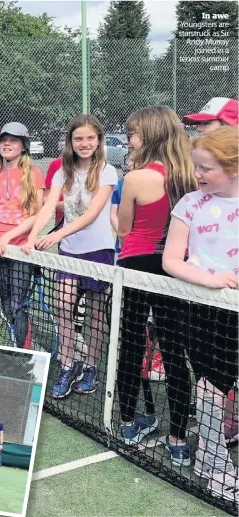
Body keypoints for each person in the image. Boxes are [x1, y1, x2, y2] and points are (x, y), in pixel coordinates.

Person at [116, 107, 197, 464]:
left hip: (136, 267)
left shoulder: (136, 178)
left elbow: (122, 229)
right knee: (176, 352)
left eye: (132, 134)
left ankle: (129, 423)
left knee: (131, 344)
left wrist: (111, 214)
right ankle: (178, 439)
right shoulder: (190, 175)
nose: (129, 140)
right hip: (175, 270)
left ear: (147, 135)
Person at [163, 126, 238, 502]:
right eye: (197, 167)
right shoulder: (189, 204)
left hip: (235, 311)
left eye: (206, 168)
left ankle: (209, 456)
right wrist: (211, 280)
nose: (198, 176)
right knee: (210, 386)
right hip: (199, 309)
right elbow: (171, 260)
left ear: (234, 167)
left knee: (224, 387)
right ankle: (219, 472)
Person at [23, 115, 118, 398]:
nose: (85, 143)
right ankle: (68, 364)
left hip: (99, 251)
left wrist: (56, 235)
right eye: (79, 139)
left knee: (95, 312)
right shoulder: (61, 173)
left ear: (99, 140)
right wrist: (32, 236)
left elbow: (90, 215)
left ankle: (90, 367)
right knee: (63, 305)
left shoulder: (107, 171)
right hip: (69, 253)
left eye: (90, 138)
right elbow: (48, 205)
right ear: (71, 142)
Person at [184, 96, 239, 445]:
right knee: (213, 376)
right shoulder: (196, 199)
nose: (200, 129)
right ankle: (219, 431)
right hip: (207, 304)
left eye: (208, 123)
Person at [0, 122, 45, 348]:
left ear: (23, 145)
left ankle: (24, 350)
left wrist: (8, 238)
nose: (7, 144)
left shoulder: (34, 174)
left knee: (18, 302)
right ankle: (22, 343)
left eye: (13, 140)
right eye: (4, 140)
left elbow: (37, 215)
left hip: (19, 250)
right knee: (7, 303)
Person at [44, 157, 64, 227]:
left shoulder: (98, 165)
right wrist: (58, 205)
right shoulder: (57, 164)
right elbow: (45, 198)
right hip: (62, 224)